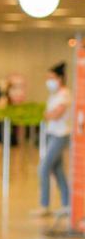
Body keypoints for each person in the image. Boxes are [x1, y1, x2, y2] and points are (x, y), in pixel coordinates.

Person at [33, 62, 72, 218]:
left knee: (43, 168)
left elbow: (56, 114)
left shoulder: (65, 94)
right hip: (52, 133)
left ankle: (44, 205)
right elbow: (50, 114)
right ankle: (67, 204)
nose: (48, 81)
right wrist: (49, 115)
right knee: (58, 171)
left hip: (60, 135)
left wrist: (49, 115)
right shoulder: (54, 95)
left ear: (60, 78)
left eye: (51, 77)